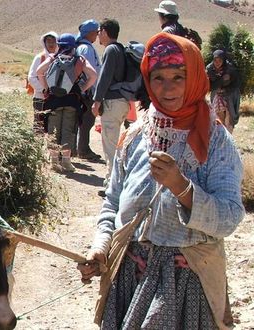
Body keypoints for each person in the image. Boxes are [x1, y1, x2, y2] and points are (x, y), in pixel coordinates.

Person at [77, 32, 245, 329]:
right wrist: (101, 246)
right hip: (128, 277)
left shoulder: (216, 140)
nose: (167, 88)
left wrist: (182, 188)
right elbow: (113, 201)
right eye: (158, 78)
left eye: (178, 77)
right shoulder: (135, 135)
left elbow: (230, 218)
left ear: (193, 77)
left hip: (185, 284)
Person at [36, 33, 97, 172]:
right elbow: (93, 75)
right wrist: (82, 88)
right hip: (72, 100)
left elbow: (39, 71)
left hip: (53, 100)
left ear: (60, 44)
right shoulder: (79, 60)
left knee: (53, 130)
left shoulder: (53, 58)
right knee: (68, 130)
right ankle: (66, 162)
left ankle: (54, 162)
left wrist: (46, 87)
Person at [91, 19, 129, 195]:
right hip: (122, 103)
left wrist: (97, 100)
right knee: (115, 145)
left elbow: (104, 77)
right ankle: (114, 183)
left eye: (99, 31)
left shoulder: (111, 50)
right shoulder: (120, 49)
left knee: (110, 147)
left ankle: (112, 187)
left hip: (112, 103)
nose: (98, 34)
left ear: (105, 31)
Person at [75, 19, 102, 161]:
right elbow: (90, 71)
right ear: (91, 33)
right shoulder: (86, 49)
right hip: (87, 91)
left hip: (84, 90)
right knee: (86, 121)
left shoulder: (83, 47)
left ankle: (81, 148)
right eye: (96, 32)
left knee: (85, 121)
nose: (97, 35)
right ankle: (83, 150)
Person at [27, 32, 58, 134]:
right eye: (48, 41)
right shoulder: (40, 57)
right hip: (40, 98)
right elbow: (31, 77)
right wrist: (44, 89)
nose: (51, 44)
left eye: (53, 41)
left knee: (52, 127)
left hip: (55, 98)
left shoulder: (60, 58)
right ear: (44, 43)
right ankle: (36, 149)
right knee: (39, 126)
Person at [206, 49, 241, 133]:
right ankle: (222, 137)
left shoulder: (230, 68)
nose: (217, 63)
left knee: (230, 118)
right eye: (215, 60)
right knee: (218, 117)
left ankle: (229, 138)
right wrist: (222, 80)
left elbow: (237, 83)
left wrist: (225, 88)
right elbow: (210, 86)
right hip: (217, 94)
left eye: (220, 60)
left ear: (223, 60)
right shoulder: (209, 69)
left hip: (231, 95)